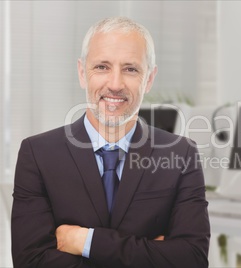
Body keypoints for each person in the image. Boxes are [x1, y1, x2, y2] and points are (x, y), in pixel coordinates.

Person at [11, 17, 210, 268]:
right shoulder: (38, 154)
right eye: (102, 67)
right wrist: (151, 254)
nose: (115, 84)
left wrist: (85, 241)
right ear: (83, 73)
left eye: (130, 69)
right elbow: (30, 261)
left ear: (149, 79)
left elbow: (192, 259)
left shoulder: (181, 154)